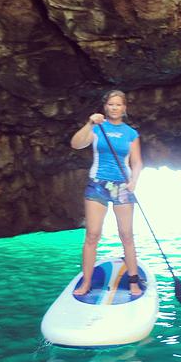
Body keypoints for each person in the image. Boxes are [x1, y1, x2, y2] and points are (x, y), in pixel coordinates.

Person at [70, 89, 143, 297]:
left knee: (126, 235)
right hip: (97, 185)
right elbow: (76, 144)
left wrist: (134, 181)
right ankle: (86, 283)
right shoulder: (97, 128)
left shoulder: (131, 134)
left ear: (124, 108)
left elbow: (137, 162)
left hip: (122, 186)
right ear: (105, 107)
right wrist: (90, 123)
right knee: (92, 235)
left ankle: (133, 282)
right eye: (111, 104)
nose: (114, 108)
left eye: (118, 104)